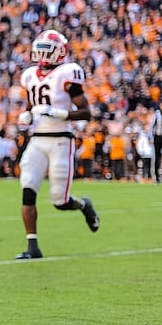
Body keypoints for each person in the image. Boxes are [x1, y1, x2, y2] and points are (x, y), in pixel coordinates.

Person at [15, 29, 100, 260]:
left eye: (47, 50)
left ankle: (84, 205)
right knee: (28, 189)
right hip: (37, 139)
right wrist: (27, 116)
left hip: (61, 139)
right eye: (40, 50)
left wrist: (58, 113)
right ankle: (32, 246)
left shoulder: (68, 72)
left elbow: (86, 112)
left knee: (59, 201)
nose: (42, 55)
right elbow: (31, 106)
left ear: (60, 52)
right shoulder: (30, 75)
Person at [147, 101, 162, 183]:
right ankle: (156, 176)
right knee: (156, 156)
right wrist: (150, 137)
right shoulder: (157, 114)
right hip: (158, 136)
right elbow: (151, 127)